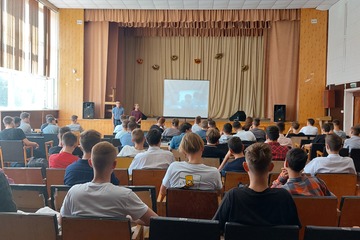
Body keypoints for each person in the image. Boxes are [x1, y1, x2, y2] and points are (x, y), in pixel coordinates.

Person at [60, 142, 157, 225]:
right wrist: (130, 218)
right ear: (114, 164)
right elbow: (155, 221)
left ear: (90, 163)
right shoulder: (125, 195)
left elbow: (62, 221)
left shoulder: (73, 192)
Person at [213, 143, 300, 231]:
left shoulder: (233, 196)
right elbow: (294, 230)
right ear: (271, 167)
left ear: (245, 166)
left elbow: (214, 228)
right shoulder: (284, 197)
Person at [159, 133, 222, 200]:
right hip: (204, 209)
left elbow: (162, 192)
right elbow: (219, 194)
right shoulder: (214, 172)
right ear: (202, 148)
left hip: (178, 209)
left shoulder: (173, 167)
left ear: (183, 151)